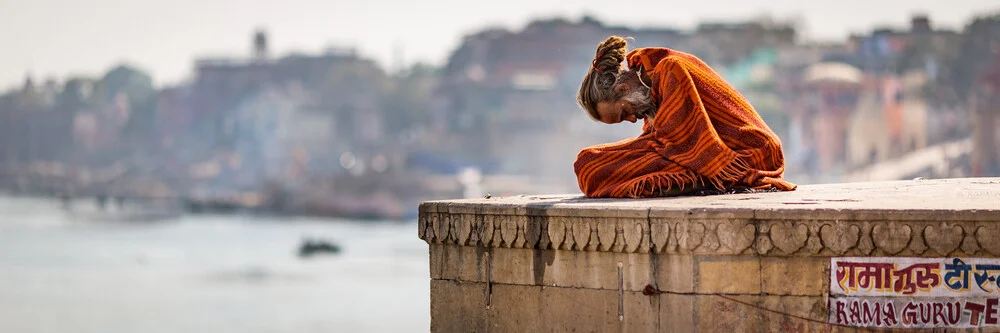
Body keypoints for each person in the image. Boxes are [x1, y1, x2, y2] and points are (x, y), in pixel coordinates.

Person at [574, 36, 797, 198]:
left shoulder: (669, 68)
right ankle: (695, 184)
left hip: (747, 151)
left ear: (622, 89)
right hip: (698, 152)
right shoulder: (649, 86)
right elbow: (665, 143)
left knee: (595, 166)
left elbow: (680, 144)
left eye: (624, 113)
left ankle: (701, 184)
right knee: (588, 162)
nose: (632, 120)